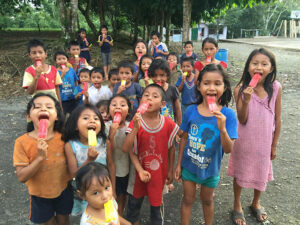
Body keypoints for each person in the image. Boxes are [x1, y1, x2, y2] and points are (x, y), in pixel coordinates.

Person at [174, 64, 238, 225]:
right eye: (206, 83)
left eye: (217, 83)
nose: (211, 88)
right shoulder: (191, 111)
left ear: (224, 87)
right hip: (189, 166)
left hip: (211, 169)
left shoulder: (228, 115)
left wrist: (222, 129)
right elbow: (184, 138)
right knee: (188, 199)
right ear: (199, 85)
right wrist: (178, 164)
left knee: (207, 200)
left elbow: (229, 149)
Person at [227, 48, 282, 225]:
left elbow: (278, 118)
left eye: (264, 64)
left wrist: (274, 145)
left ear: (271, 68)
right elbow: (242, 119)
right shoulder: (240, 89)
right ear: (248, 66)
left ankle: (256, 202)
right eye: (255, 63)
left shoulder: (276, 88)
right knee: (240, 172)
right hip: (244, 140)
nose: (259, 67)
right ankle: (237, 205)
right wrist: (246, 100)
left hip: (265, 141)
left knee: (261, 170)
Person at [122, 84, 179, 225]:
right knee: (133, 207)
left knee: (156, 208)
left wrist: (170, 170)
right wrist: (135, 128)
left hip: (159, 173)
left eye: (155, 96)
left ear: (162, 104)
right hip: (138, 174)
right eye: (146, 95)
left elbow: (171, 148)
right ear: (141, 100)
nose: (149, 98)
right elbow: (126, 148)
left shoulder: (168, 124)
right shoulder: (136, 122)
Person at [13, 93, 72, 225]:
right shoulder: (22, 142)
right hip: (39, 195)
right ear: (28, 116)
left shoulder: (64, 137)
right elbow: (21, 177)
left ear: (56, 116)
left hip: (63, 189)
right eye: (38, 107)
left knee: (64, 221)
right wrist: (40, 158)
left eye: (49, 107)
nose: (43, 109)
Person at [62, 104, 115, 216]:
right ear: (75, 126)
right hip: (86, 195)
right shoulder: (71, 145)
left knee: (107, 218)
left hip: (104, 192)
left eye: (96, 118)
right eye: (86, 118)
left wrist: (113, 190)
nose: (92, 120)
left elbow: (111, 165)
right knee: (90, 219)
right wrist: (89, 160)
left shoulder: (105, 143)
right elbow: (73, 174)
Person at [105, 94, 132, 216]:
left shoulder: (131, 126)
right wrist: (110, 135)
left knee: (122, 198)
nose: (118, 107)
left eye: (122, 105)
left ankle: (119, 217)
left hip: (125, 170)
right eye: (114, 104)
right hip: (108, 172)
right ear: (108, 110)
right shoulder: (104, 127)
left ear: (128, 110)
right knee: (110, 200)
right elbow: (105, 151)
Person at [22, 39, 62, 105]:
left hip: (53, 104)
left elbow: (57, 88)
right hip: (38, 105)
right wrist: (36, 77)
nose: (37, 55)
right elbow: (30, 92)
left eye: (40, 52)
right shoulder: (29, 71)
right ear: (29, 55)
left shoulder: (53, 69)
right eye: (34, 53)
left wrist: (60, 105)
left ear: (45, 54)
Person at [148, 59, 181, 125]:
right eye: (154, 75)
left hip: (170, 125)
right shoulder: (149, 90)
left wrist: (179, 125)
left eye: (162, 75)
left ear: (167, 75)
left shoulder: (172, 89)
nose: (158, 79)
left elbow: (177, 109)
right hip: (154, 126)